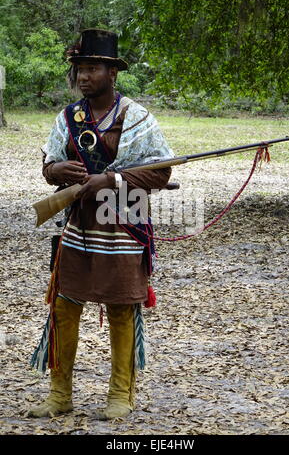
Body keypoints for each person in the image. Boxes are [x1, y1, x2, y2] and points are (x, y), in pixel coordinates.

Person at [28, 29, 174, 420]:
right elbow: (48, 168)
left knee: (122, 307)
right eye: (79, 69)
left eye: (92, 68)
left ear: (112, 73)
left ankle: (120, 395)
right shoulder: (67, 118)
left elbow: (160, 173)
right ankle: (60, 395)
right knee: (64, 304)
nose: (83, 77)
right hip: (78, 224)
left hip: (124, 222)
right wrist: (57, 168)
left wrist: (109, 179)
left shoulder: (136, 116)